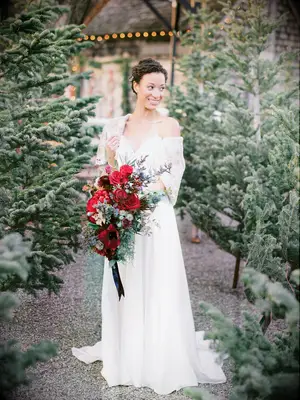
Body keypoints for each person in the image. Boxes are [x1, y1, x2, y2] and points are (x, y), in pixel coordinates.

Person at [72, 58, 226, 395]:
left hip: (155, 219)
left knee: (157, 283)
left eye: (161, 87)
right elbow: (104, 174)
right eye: (151, 86)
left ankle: (158, 355)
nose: (156, 93)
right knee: (126, 282)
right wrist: (112, 163)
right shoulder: (114, 126)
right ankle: (127, 352)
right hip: (124, 221)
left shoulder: (169, 126)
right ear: (136, 85)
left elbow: (173, 177)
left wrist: (138, 193)